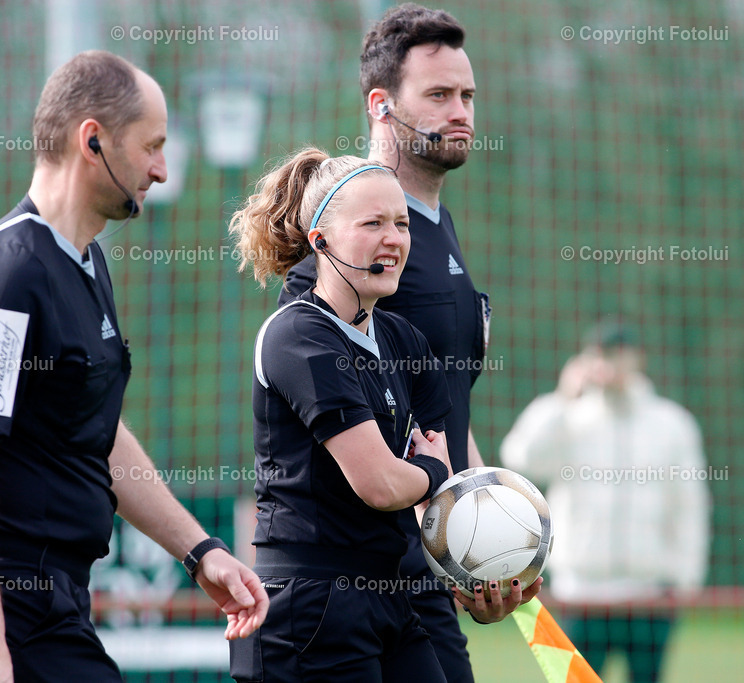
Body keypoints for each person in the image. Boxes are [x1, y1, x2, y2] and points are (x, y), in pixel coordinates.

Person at [0, 50, 268, 683]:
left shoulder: (84, 263)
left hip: (55, 603)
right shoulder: (13, 276)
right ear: (93, 140)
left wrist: (200, 551)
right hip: (3, 614)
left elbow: (97, 435)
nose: (162, 170)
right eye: (152, 146)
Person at [280, 5, 537, 681]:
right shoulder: (345, 256)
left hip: (419, 582)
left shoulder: (437, 228)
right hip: (343, 593)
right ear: (382, 106)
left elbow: (445, 417)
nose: (462, 112)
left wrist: (483, 545)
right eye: (439, 95)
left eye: (469, 96)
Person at [227, 147, 455, 681]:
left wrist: (471, 570)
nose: (394, 238)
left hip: (389, 595)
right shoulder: (298, 335)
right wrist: (432, 474)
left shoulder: (404, 339)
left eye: (400, 223)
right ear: (320, 241)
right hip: (309, 608)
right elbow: (380, 482)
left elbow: (431, 493)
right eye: (373, 223)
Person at [500, 320, 712, 683]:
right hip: (580, 594)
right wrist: (562, 396)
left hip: (650, 596)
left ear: (638, 359)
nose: (610, 365)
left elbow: (690, 506)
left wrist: (686, 581)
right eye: (601, 356)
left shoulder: (672, 424)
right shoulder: (568, 418)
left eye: (618, 355)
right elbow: (519, 457)